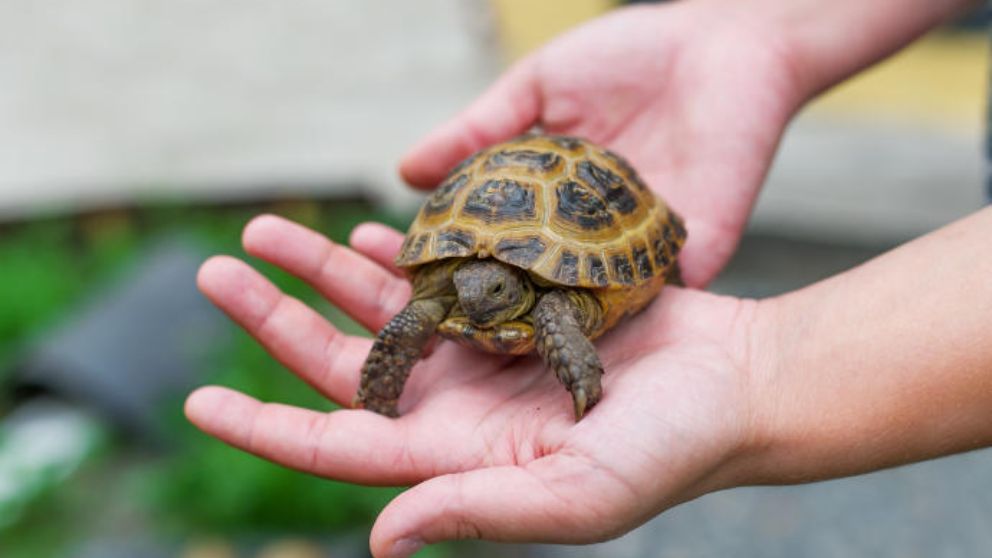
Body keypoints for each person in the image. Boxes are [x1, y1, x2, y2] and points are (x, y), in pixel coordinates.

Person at [184, 1, 992, 557]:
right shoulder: (455, 286)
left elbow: (558, 324)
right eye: (464, 287)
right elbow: (413, 316)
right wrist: (751, 31)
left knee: (555, 326)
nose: (471, 299)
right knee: (411, 318)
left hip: (586, 217)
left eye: (489, 292)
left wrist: (746, 374)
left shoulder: (559, 302)